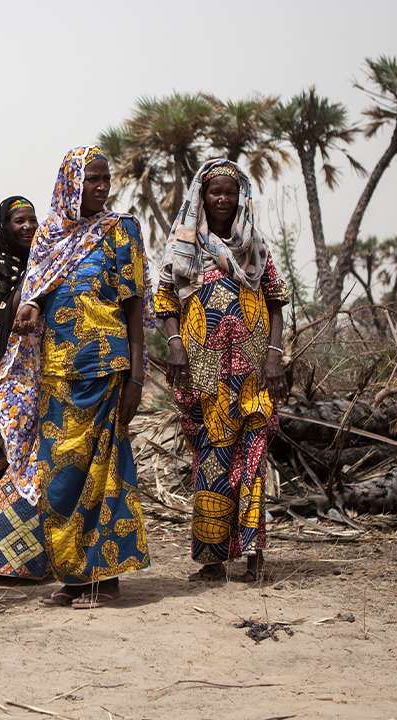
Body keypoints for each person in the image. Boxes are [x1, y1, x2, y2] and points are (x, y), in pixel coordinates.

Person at [0, 146, 152, 609]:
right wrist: (29, 305)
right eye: (91, 180)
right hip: (55, 375)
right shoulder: (46, 239)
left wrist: (137, 379)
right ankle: (72, 575)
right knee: (59, 475)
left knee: (105, 472)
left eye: (105, 179)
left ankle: (105, 576)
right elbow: (38, 292)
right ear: (69, 184)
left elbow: (135, 308)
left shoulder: (121, 231)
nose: (100, 188)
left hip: (105, 370)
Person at [155, 158, 289, 583]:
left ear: (241, 197)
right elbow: (165, 301)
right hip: (203, 368)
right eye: (215, 191)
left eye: (230, 191)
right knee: (211, 460)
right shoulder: (184, 248)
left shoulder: (256, 248)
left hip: (250, 367)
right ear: (202, 196)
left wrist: (274, 355)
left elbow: (276, 303)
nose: (223, 198)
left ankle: (253, 557)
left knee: (251, 459)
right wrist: (175, 344)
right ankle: (212, 561)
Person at [0, 195, 50, 580]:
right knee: (3, 451)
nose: (28, 227)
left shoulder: (44, 258)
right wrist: (33, 287)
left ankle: (31, 557)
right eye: (19, 220)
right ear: (4, 225)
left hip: (37, 374)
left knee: (32, 457)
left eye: (33, 220)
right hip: (2, 374)